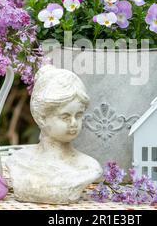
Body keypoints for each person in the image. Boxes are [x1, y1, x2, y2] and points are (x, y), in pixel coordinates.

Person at [6, 65, 102, 204]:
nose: (74, 123)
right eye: (65, 117)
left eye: (79, 115)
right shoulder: (17, 161)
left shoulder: (89, 168)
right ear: (41, 118)